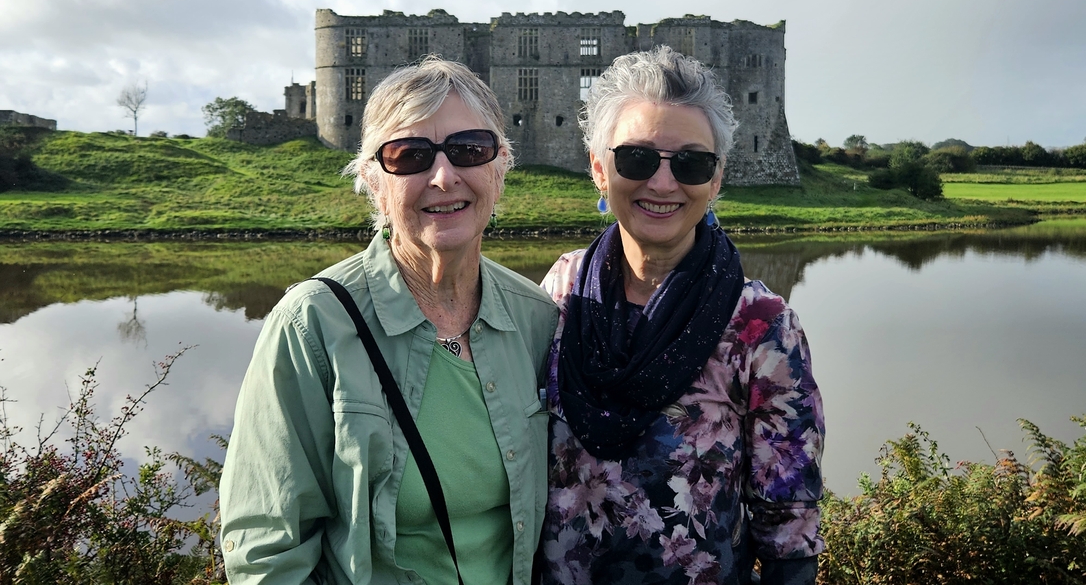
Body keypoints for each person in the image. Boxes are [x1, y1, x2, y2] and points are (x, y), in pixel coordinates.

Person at [219, 56, 558, 584]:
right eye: (410, 155)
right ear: (373, 182)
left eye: (470, 149)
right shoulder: (313, 325)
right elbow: (269, 554)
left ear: (500, 167)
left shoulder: (538, 318)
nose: (444, 177)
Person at [539, 47, 825, 585]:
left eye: (691, 163)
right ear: (600, 170)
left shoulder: (761, 327)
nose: (663, 184)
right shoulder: (562, 290)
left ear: (715, 181)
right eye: (636, 159)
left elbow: (790, 536)